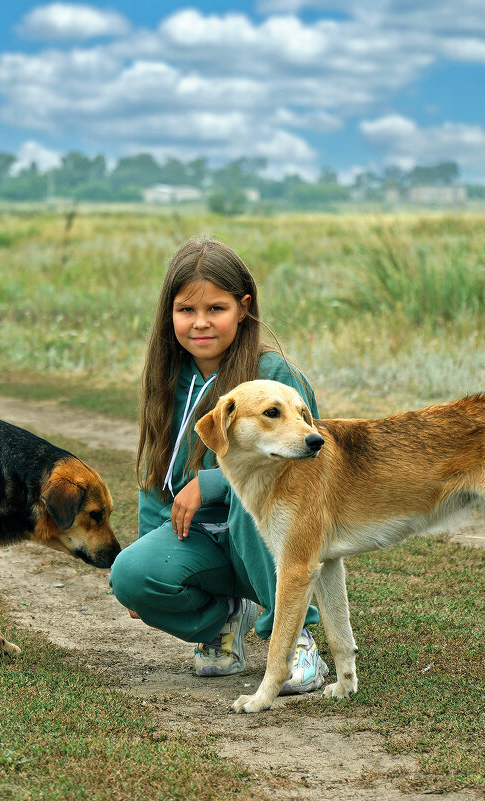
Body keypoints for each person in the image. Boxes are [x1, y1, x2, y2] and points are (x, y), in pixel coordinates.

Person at [109, 235, 328, 694]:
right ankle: (224, 623)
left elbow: (307, 469)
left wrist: (211, 483)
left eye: (216, 309)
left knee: (248, 506)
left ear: (243, 307)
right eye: (186, 310)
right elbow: (157, 478)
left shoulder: (275, 378)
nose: (200, 323)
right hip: (205, 543)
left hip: (266, 536)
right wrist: (147, 557)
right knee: (131, 574)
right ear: (169, 313)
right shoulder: (167, 379)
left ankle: (295, 641)